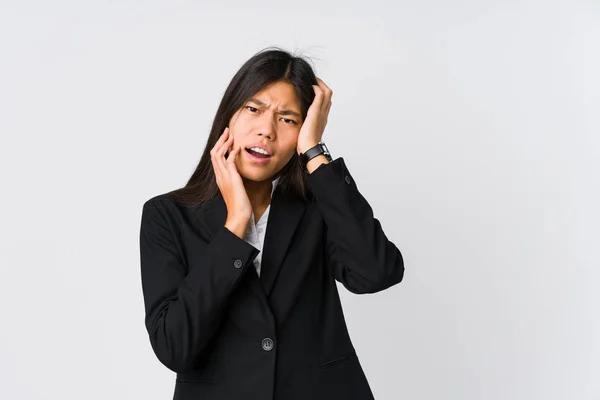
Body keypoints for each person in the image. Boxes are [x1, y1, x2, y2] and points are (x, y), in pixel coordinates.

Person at [139, 47, 405, 400]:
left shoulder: (318, 207)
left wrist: (314, 153)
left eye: (288, 119)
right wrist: (235, 225)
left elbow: (376, 272)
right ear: (228, 116)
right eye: (254, 109)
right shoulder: (167, 215)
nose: (266, 130)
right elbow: (175, 347)